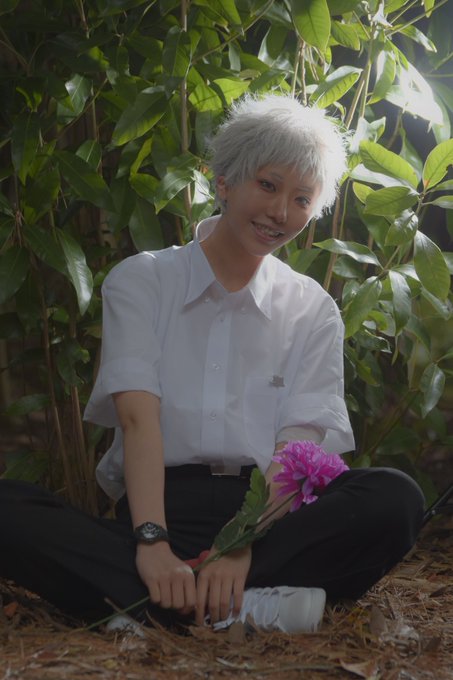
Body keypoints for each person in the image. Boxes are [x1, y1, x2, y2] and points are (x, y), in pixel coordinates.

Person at [0, 94, 424, 634]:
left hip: (265, 520)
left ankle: (148, 604)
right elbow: (137, 420)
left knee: (396, 498)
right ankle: (249, 607)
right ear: (223, 182)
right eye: (267, 185)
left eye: (301, 199)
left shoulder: (312, 308)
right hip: (158, 506)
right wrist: (152, 543)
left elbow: (297, 449)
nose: (280, 212)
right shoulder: (142, 281)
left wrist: (240, 546)